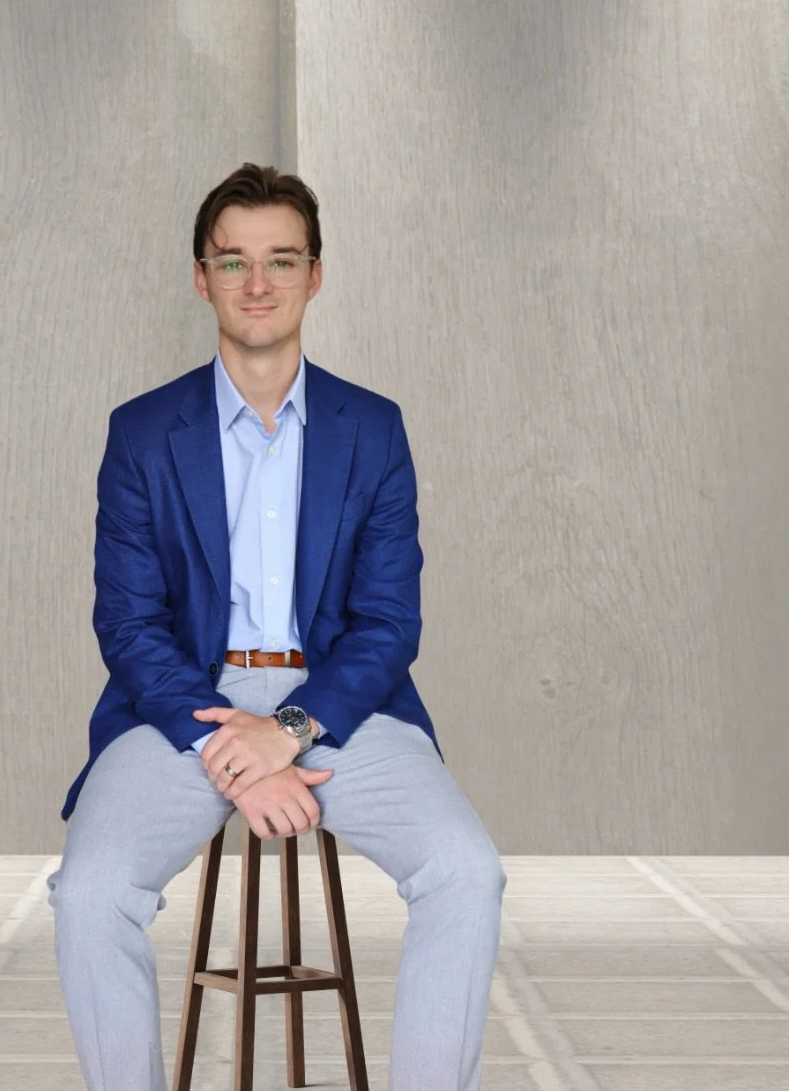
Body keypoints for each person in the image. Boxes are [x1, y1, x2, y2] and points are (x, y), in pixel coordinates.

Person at [46, 163, 506, 1090]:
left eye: (281, 260)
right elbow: (128, 623)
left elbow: (388, 623)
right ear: (201, 278)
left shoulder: (373, 429)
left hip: (342, 707)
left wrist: (288, 732)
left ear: (315, 275)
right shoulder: (141, 433)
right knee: (89, 895)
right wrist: (231, 750)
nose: (257, 283)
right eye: (232, 261)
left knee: (467, 872)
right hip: (181, 711)